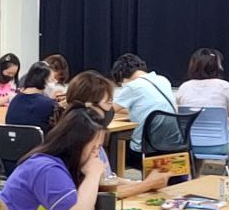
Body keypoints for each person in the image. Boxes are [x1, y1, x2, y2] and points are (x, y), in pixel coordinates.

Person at [59, 70, 169, 200]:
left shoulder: (92, 136)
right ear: (89, 106)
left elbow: (107, 179)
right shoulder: (79, 140)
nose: (111, 109)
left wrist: (140, 183)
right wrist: (148, 184)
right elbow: (99, 194)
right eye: (108, 102)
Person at [0, 108, 106, 210]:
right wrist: (93, 174)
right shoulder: (47, 168)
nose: (97, 154)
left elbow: (78, 207)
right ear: (77, 144)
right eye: (95, 147)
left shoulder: (61, 164)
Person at [175, 47, 229, 166]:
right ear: (218, 66)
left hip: (189, 144)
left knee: (196, 150)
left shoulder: (184, 87)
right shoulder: (225, 87)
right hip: (220, 144)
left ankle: (194, 179)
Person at [111, 52, 177, 167]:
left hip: (145, 152)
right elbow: (143, 108)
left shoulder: (133, 86)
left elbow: (109, 109)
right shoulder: (163, 80)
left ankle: (115, 181)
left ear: (122, 76)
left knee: (112, 148)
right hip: (172, 147)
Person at [4, 61, 58, 133]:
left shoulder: (15, 100)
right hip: (40, 143)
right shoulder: (49, 104)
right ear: (44, 80)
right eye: (52, 80)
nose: (55, 82)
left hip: (13, 142)